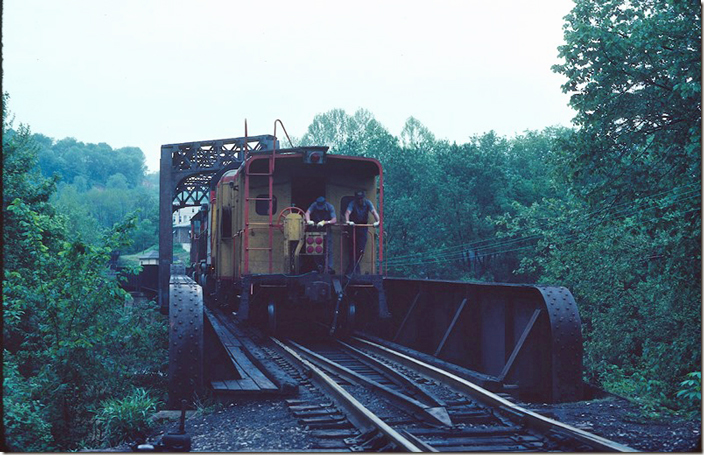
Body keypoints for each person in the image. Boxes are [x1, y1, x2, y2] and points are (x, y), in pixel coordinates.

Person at [344, 190, 380, 274]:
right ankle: (354, 269)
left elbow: (374, 212)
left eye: (361, 198)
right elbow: (347, 212)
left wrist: (378, 221)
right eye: (358, 199)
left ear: (364, 198)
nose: (360, 200)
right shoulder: (353, 203)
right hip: (353, 227)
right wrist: (348, 221)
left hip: (363, 227)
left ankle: (352, 269)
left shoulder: (368, 203)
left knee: (361, 249)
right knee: (352, 248)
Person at [305, 196, 337, 274]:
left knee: (328, 249)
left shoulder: (330, 207)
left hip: (326, 229)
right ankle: (319, 266)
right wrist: (309, 221)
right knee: (315, 248)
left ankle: (329, 268)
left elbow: (334, 220)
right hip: (316, 228)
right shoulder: (314, 205)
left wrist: (324, 222)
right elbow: (307, 213)